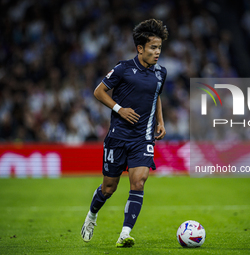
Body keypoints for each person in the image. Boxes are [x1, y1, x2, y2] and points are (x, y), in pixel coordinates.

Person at [80, 19, 168, 248]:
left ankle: (124, 234)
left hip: (143, 137)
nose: (157, 52)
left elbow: (156, 95)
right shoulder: (123, 69)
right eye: (153, 47)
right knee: (109, 188)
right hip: (118, 137)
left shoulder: (161, 73)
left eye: (159, 48)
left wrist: (160, 121)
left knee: (138, 182)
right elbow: (99, 92)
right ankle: (91, 215)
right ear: (140, 48)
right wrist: (119, 109)